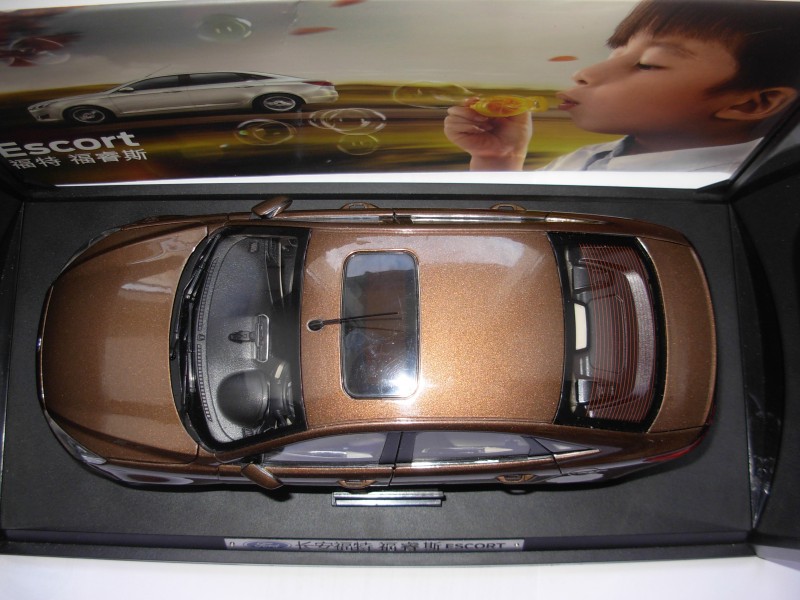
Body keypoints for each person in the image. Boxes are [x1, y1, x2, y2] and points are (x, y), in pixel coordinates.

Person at [444, 0, 800, 172]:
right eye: (616, 53)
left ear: (751, 104)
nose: (584, 73)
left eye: (648, 64)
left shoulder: (735, 184)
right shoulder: (588, 158)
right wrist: (500, 158)